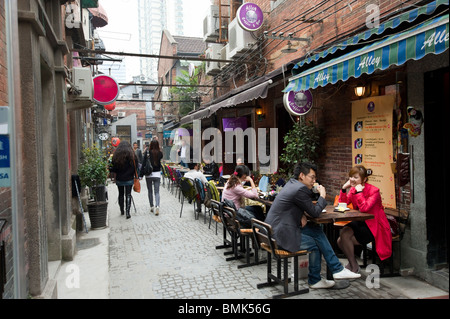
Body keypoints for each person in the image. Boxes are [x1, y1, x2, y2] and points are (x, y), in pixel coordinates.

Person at [264, 162, 361, 289]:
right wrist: (322, 196)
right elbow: (315, 213)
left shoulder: (291, 184)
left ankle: (334, 271)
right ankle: (323, 276)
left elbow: (294, 206)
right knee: (316, 243)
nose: (314, 181)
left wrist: (301, 214)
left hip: (274, 231)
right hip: (281, 236)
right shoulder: (300, 189)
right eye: (312, 177)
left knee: (316, 230)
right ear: (302, 175)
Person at [337, 165, 392, 273]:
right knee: (341, 239)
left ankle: (353, 265)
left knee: (343, 239)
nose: (352, 179)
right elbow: (342, 203)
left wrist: (359, 192)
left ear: (364, 179)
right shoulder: (353, 189)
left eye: (356, 177)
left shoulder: (374, 191)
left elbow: (364, 208)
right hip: (361, 222)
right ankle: (354, 264)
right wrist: (344, 188)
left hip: (374, 226)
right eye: (351, 176)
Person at [110, 141, 139, 219]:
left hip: (120, 178)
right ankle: (127, 212)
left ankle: (122, 210)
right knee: (128, 194)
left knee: (121, 194)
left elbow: (113, 168)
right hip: (129, 178)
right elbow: (136, 166)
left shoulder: (116, 155)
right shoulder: (132, 155)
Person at [143, 139, 164, 216]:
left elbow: (143, 164)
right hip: (157, 174)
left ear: (151, 145)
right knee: (157, 191)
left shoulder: (147, 153)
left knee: (150, 191)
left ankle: (151, 206)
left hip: (149, 174)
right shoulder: (160, 153)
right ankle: (157, 206)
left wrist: (141, 175)